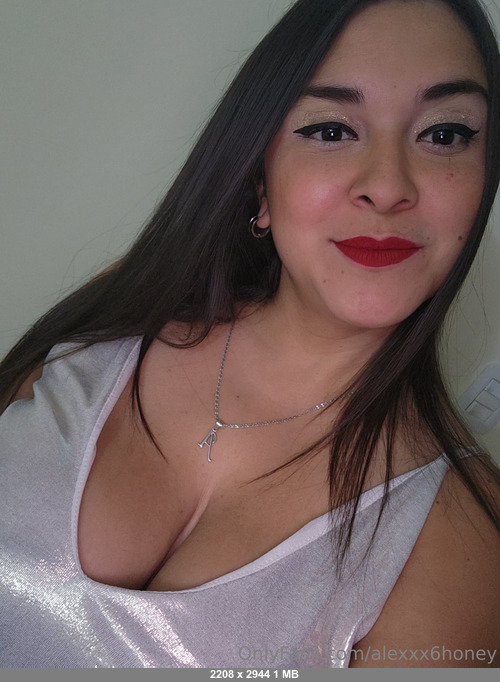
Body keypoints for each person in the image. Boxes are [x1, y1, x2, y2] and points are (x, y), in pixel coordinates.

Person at [1, 0, 499, 669]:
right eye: (330, 130)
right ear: (262, 182)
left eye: (444, 134)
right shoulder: (127, 311)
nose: (387, 187)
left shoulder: (468, 540)